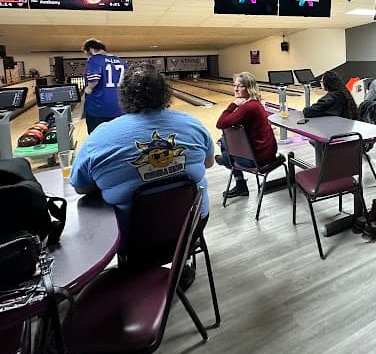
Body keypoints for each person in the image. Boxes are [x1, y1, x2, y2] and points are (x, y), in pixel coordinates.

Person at [70, 65, 215, 249]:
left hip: (133, 239)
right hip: (192, 226)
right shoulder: (193, 124)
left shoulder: (99, 137)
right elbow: (209, 163)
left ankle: (136, 273)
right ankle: (180, 263)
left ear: (123, 95)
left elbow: (80, 188)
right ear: (166, 92)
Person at [216, 72, 278, 199]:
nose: (236, 89)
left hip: (258, 159)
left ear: (249, 87)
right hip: (266, 152)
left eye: (240, 86)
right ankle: (227, 160)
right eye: (235, 85)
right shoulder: (254, 103)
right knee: (224, 140)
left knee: (224, 143)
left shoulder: (248, 107)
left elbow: (220, 123)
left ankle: (237, 179)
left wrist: (233, 105)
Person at [81, 38, 127, 134]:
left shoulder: (94, 59)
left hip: (98, 109)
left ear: (91, 49)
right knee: (119, 137)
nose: (87, 57)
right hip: (121, 108)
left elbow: (94, 79)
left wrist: (89, 88)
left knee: (96, 138)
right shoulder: (121, 61)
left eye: (87, 54)